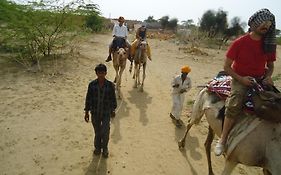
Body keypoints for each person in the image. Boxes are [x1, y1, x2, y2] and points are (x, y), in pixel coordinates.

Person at [214, 9, 277, 156]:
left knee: (275, 100)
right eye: (263, 23)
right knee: (234, 102)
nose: (266, 26)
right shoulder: (240, 43)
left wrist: (268, 76)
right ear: (254, 23)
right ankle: (222, 140)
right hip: (239, 78)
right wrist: (241, 79)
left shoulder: (268, 44)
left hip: (260, 78)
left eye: (269, 24)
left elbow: (271, 66)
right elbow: (226, 67)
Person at [84, 64, 117, 158]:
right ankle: (97, 148)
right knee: (97, 132)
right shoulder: (92, 85)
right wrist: (86, 112)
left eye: (103, 73)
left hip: (106, 113)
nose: (101, 75)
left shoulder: (110, 85)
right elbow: (88, 99)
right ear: (96, 73)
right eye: (99, 73)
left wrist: (113, 109)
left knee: (105, 131)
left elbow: (113, 99)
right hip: (95, 112)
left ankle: (105, 148)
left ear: (105, 73)